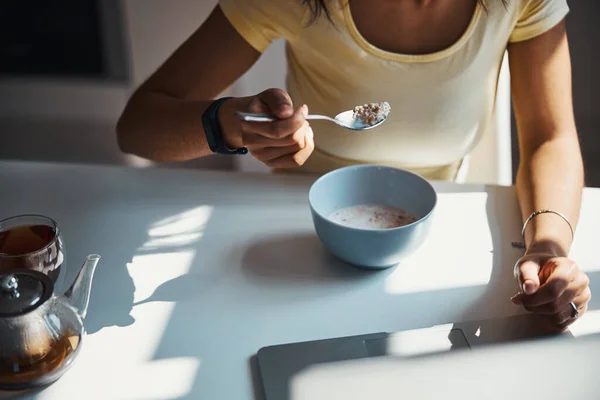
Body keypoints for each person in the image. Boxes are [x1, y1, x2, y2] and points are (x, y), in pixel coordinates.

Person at [116, 0, 590, 329]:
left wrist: (549, 247)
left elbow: (551, 137)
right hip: (295, 245)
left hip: (436, 253)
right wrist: (230, 124)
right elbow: (138, 127)